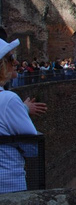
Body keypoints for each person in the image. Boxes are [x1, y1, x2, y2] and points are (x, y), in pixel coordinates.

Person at [0, 40, 45, 193]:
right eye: (11, 58)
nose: (17, 62)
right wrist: (21, 110)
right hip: (8, 181)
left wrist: (23, 109)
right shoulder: (9, 99)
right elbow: (32, 147)